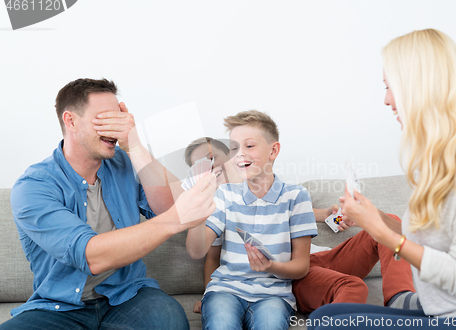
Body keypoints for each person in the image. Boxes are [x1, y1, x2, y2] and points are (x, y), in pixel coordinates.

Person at [308, 29, 456, 329]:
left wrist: (381, 233)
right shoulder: (439, 161)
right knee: (324, 318)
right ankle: (404, 302)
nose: (386, 100)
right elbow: (426, 241)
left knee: (333, 325)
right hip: (439, 310)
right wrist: (375, 218)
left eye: (390, 86)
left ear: (421, 86)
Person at [0, 78, 217, 330]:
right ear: (70, 121)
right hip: (60, 307)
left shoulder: (125, 162)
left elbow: (173, 206)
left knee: (169, 319)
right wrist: (173, 219)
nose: (115, 128)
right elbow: (91, 257)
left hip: (129, 296)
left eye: (119, 118)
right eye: (105, 119)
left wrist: (134, 145)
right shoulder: (34, 186)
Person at [186, 138, 418, 315]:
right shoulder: (219, 205)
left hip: (320, 257)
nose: (210, 166)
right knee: (353, 286)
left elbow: (304, 214)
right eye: (201, 165)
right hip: (292, 274)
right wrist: (209, 295)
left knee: (391, 220)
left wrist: (332, 215)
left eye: (213, 157)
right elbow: (212, 260)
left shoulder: (281, 193)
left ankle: (401, 299)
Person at [185, 110, 318, 330]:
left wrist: (271, 266)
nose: (239, 154)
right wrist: (197, 216)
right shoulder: (224, 194)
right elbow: (197, 252)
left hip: (274, 296)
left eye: (249, 146)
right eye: (234, 148)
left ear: (273, 150)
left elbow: (302, 267)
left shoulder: (296, 196)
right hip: (224, 291)